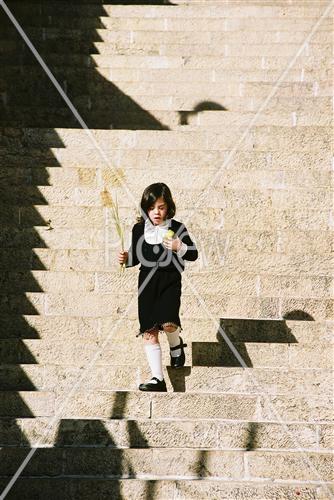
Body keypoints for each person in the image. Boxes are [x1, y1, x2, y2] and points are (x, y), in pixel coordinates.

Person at [118, 182, 198, 392]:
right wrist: (126, 258)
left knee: (169, 323)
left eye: (161, 207)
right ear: (146, 209)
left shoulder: (177, 227)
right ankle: (157, 378)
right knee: (149, 330)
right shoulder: (139, 229)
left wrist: (179, 246)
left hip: (170, 279)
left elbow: (193, 254)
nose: (156, 212)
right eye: (152, 208)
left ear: (168, 207)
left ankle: (176, 345)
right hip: (146, 282)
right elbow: (135, 257)